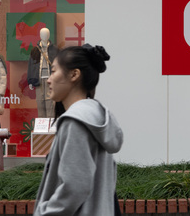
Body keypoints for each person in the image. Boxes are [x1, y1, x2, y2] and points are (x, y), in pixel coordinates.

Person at [34, 44, 123, 216]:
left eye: (53, 71)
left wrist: (45, 212)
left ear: (74, 75)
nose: (48, 79)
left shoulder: (75, 121)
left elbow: (75, 186)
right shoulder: (97, 117)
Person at [27, 28, 59, 118]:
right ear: (40, 35)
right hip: (38, 79)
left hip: (50, 79)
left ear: (49, 35)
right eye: (43, 34)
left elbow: (58, 65)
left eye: (46, 34)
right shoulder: (35, 50)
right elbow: (31, 66)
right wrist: (30, 80)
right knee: (40, 101)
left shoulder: (55, 50)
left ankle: (51, 123)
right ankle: (42, 124)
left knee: (50, 102)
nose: (44, 36)